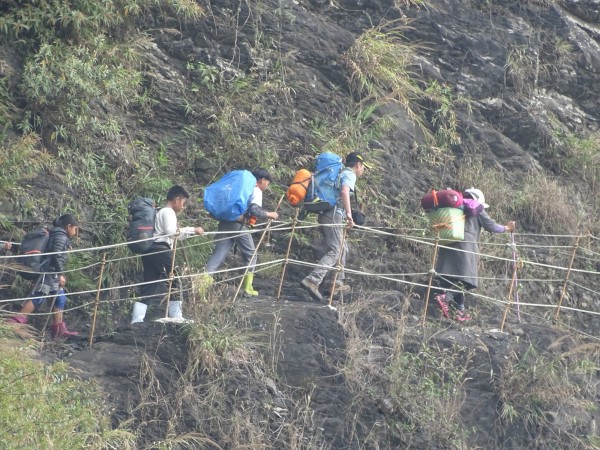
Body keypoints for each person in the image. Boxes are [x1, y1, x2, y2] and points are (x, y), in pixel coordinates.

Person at [434, 188, 516, 322]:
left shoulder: (452, 207)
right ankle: (445, 298)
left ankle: (459, 311)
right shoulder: (476, 208)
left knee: (453, 279)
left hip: (447, 244)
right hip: (466, 247)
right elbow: (492, 227)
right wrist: (507, 228)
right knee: (468, 280)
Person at [300, 152, 371, 302]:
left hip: (327, 213)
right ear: (358, 165)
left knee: (342, 248)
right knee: (336, 249)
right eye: (363, 167)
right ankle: (313, 280)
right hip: (333, 214)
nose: (363, 170)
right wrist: (349, 214)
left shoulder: (339, 173)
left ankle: (336, 282)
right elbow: (345, 192)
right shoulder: (349, 174)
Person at [132, 185, 204, 324]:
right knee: (175, 279)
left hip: (150, 250)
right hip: (161, 250)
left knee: (150, 284)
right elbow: (171, 232)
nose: (183, 206)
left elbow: (173, 235)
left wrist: (189, 232)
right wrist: (192, 229)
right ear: (177, 200)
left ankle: (137, 319)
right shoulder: (168, 212)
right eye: (183, 202)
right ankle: (176, 317)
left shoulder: (159, 211)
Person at [204, 168, 279, 296]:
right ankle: (248, 289)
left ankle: (201, 287)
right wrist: (270, 214)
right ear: (262, 180)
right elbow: (255, 210)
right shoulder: (255, 189)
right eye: (268, 182)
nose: (267, 186)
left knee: (218, 255)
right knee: (251, 254)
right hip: (237, 225)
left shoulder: (240, 187)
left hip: (224, 223)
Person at [8, 214, 80, 338]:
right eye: (75, 228)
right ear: (69, 226)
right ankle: (15, 323)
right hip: (49, 272)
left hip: (51, 272)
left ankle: (59, 328)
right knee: (38, 297)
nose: (75, 232)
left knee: (60, 297)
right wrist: (60, 274)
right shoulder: (60, 236)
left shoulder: (58, 234)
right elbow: (56, 255)